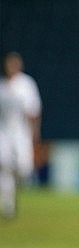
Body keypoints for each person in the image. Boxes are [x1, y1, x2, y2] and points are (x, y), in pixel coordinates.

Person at [0, 51, 42, 220]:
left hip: (21, 132)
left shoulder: (26, 84)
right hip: (3, 132)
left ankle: (16, 188)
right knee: (5, 167)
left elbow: (34, 110)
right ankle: (8, 205)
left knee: (24, 169)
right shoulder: (2, 86)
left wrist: (35, 133)